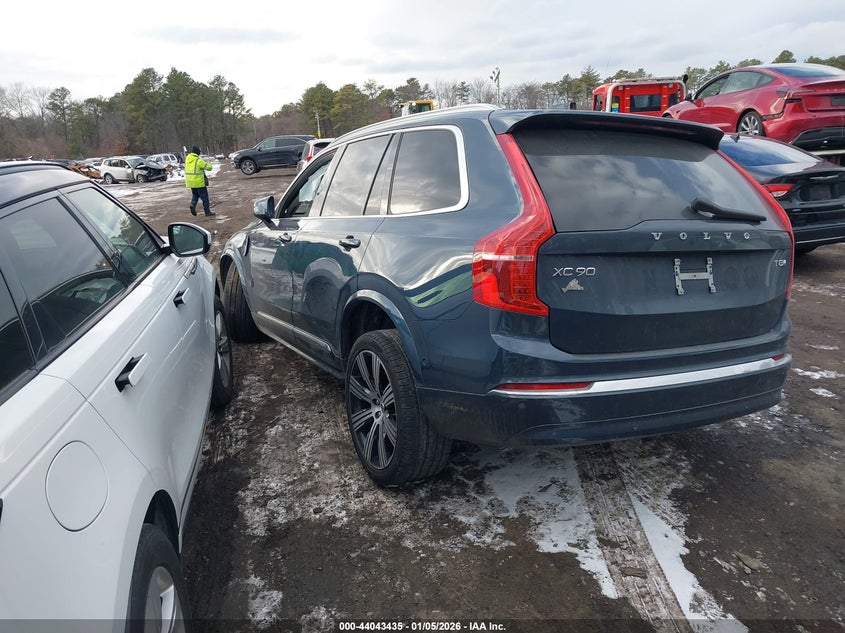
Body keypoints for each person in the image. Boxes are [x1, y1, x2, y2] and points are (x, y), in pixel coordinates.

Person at [185, 145, 214, 216]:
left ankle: (193, 204)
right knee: (205, 197)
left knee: (195, 194)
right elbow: (209, 168)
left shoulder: (187, 159)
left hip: (190, 182)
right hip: (199, 182)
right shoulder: (198, 161)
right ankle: (207, 212)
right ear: (197, 153)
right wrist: (209, 164)